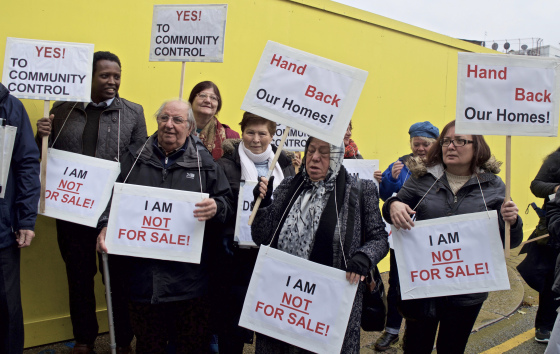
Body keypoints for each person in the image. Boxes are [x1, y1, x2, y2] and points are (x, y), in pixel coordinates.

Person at [97, 99, 234, 353]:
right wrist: (105, 225)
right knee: (149, 345)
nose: (169, 125)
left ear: (190, 127)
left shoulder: (205, 164)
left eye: (177, 120)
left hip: (189, 285)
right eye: (164, 118)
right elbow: (111, 200)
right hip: (142, 282)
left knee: (190, 346)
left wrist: (216, 208)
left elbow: (226, 204)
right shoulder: (133, 158)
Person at [35, 51, 147, 354]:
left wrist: (119, 206)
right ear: (89, 76)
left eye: (117, 75)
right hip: (72, 212)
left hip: (115, 212)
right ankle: (84, 340)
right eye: (105, 75)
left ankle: (123, 341)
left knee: (119, 282)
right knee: (79, 278)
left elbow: (140, 162)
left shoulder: (134, 113)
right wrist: (40, 135)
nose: (113, 81)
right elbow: (46, 159)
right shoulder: (63, 109)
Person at [382, 120, 523, 353]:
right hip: (425, 288)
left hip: (467, 291)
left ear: (476, 147)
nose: (451, 146)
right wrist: (394, 205)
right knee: (416, 346)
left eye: (460, 141)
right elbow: (390, 208)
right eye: (446, 141)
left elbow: (512, 240)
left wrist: (513, 222)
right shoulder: (422, 178)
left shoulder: (494, 186)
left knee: (453, 347)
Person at [251, 136, 389, 353]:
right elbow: (261, 237)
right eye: (311, 150)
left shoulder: (361, 190)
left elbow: (379, 238)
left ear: (337, 156)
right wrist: (264, 203)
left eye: (324, 153)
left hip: (328, 305)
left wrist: (364, 256)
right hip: (283, 300)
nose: (314, 158)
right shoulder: (288, 187)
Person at [215, 112, 295, 353]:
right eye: (250, 132)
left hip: (273, 255)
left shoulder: (285, 166)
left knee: (271, 322)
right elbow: (222, 203)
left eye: (263, 133)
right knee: (234, 324)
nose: (256, 139)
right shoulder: (225, 164)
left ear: (272, 135)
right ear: (242, 133)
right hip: (238, 258)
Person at [373, 120, 439, 351]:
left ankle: (422, 334)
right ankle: (392, 330)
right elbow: (385, 197)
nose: (420, 148)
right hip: (402, 236)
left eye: (425, 144)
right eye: (416, 143)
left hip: (431, 240)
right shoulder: (400, 163)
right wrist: (389, 178)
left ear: (436, 143)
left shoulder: (444, 166)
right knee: (397, 285)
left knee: (429, 285)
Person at [0, 83, 41, 354]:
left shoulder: (10, 106)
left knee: (6, 307)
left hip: (1, 228)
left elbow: (27, 163)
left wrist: (26, 219)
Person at [518, 146, 560, 343]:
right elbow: (536, 186)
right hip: (555, 230)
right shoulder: (556, 159)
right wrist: (556, 189)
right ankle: (545, 326)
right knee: (552, 279)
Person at [188, 81, 240, 159]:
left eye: (213, 98)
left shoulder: (230, 136)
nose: (208, 101)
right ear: (192, 100)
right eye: (202, 95)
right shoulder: (177, 130)